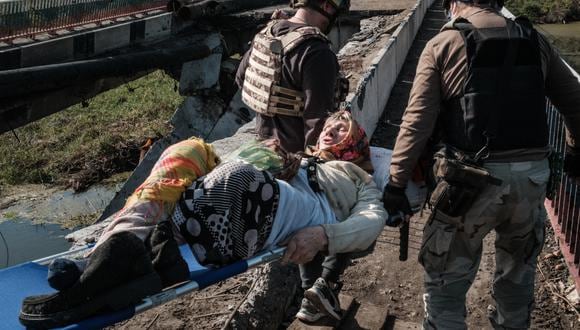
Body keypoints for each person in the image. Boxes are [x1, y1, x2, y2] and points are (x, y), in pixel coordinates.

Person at [19, 112, 387, 328]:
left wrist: (324, 235)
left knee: (237, 178)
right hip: (254, 198)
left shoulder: (357, 177)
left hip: (301, 209)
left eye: (343, 128)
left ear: (355, 146)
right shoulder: (299, 155)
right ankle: (109, 257)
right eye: (331, 122)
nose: (330, 128)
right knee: (188, 149)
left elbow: (374, 219)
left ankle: (112, 272)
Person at [382, 0, 580, 329]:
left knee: (446, 282)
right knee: (517, 278)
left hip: (468, 185)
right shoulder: (534, 40)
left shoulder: (444, 44)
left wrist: (396, 184)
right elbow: (574, 101)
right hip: (531, 182)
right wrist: (574, 152)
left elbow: (416, 123)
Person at [235, 0, 350, 153]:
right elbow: (318, 120)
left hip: (263, 150)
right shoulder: (317, 52)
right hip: (293, 161)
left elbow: (242, 79)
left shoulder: (267, 33)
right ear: (326, 6)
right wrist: (311, 163)